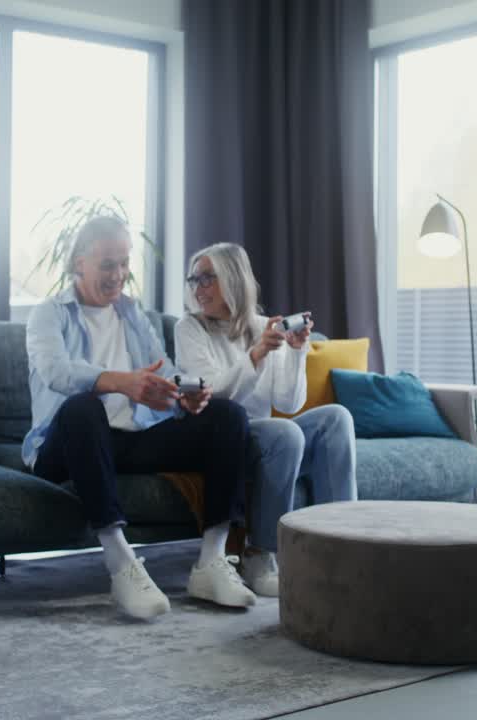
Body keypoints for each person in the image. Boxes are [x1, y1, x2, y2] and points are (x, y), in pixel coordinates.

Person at [23, 218, 256, 620]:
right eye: (107, 265)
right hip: (65, 445)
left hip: (131, 439)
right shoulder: (49, 315)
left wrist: (186, 392)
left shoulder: (133, 314)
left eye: (124, 264)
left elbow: (164, 370)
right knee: (83, 406)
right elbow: (55, 372)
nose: (118, 276)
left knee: (228, 415)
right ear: (80, 263)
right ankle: (122, 565)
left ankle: (212, 561)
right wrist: (121, 382)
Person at [173, 243, 356, 597]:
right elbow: (216, 396)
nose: (198, 288)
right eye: (194, 279)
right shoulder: (190, 328)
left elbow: (288, 401)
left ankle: (344, 546)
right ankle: (260, 553)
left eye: (207, 278)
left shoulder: (262, 326)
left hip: (270, 436)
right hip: (226, 435)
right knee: (283, 432)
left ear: (234, 279)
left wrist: (297, 352)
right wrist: (257, 354)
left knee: (336, 418)